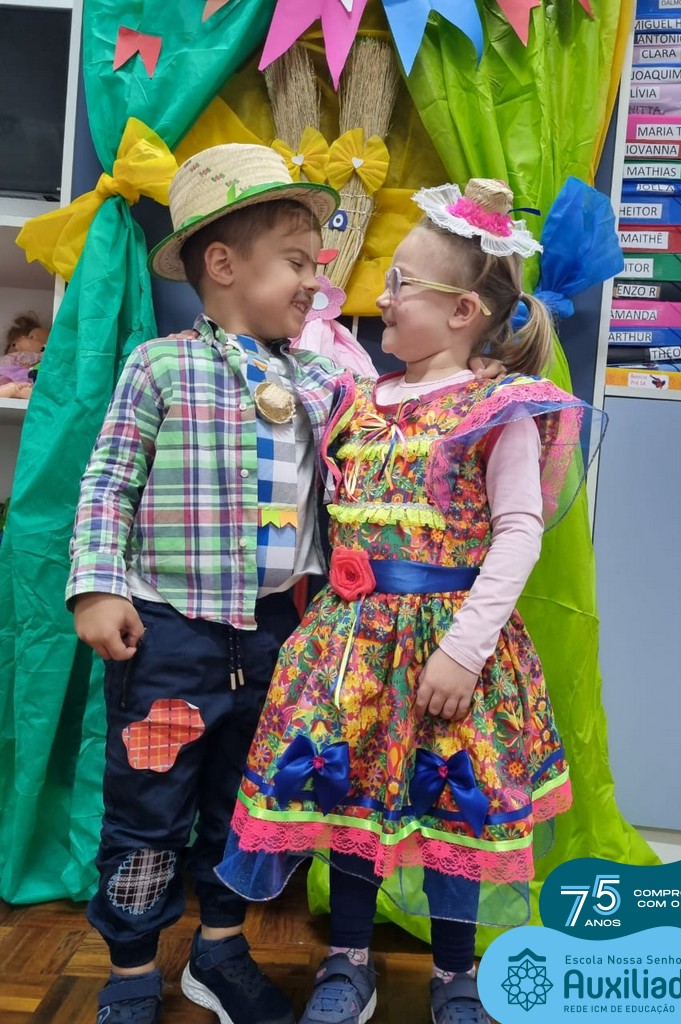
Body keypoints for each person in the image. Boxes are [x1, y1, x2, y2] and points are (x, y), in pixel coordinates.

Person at [67, 145, 501, 1024]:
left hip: (278, 641)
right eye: (298, 263)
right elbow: (108, 482)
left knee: (250, 806)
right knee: (149, 810)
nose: (317, 283)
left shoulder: (326, 379)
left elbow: (398, 417)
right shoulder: (160, 365)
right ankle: (131, 971)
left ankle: (219, 951)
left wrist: (465, 379)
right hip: (169, 637)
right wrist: (98, 587)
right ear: (224, 265)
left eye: (318, 264)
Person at [216, 178, 605, 1024]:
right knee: (353, 801)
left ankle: (455, 974)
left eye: (400, 284)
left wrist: (464, 651)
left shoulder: (496, 408)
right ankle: (347, 961)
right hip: (351, 648)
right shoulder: (355, 399)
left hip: (448, 650)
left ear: (463, 310)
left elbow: (518, 531)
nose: (381, 297)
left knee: (450, 803)